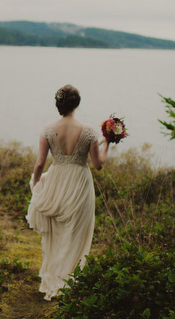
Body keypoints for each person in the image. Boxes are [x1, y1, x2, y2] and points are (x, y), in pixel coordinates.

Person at [25, 84, 110, 301]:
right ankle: (69, 280)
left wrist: (36, 185)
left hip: (56, 181)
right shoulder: (89, 130)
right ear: (77, 104)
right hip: (80, 184)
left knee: (57, 233)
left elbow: (39, 163)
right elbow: (98, 164)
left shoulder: (47, 129)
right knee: (75, 233)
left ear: (58, 104)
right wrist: (107, 144)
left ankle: (55, 276)